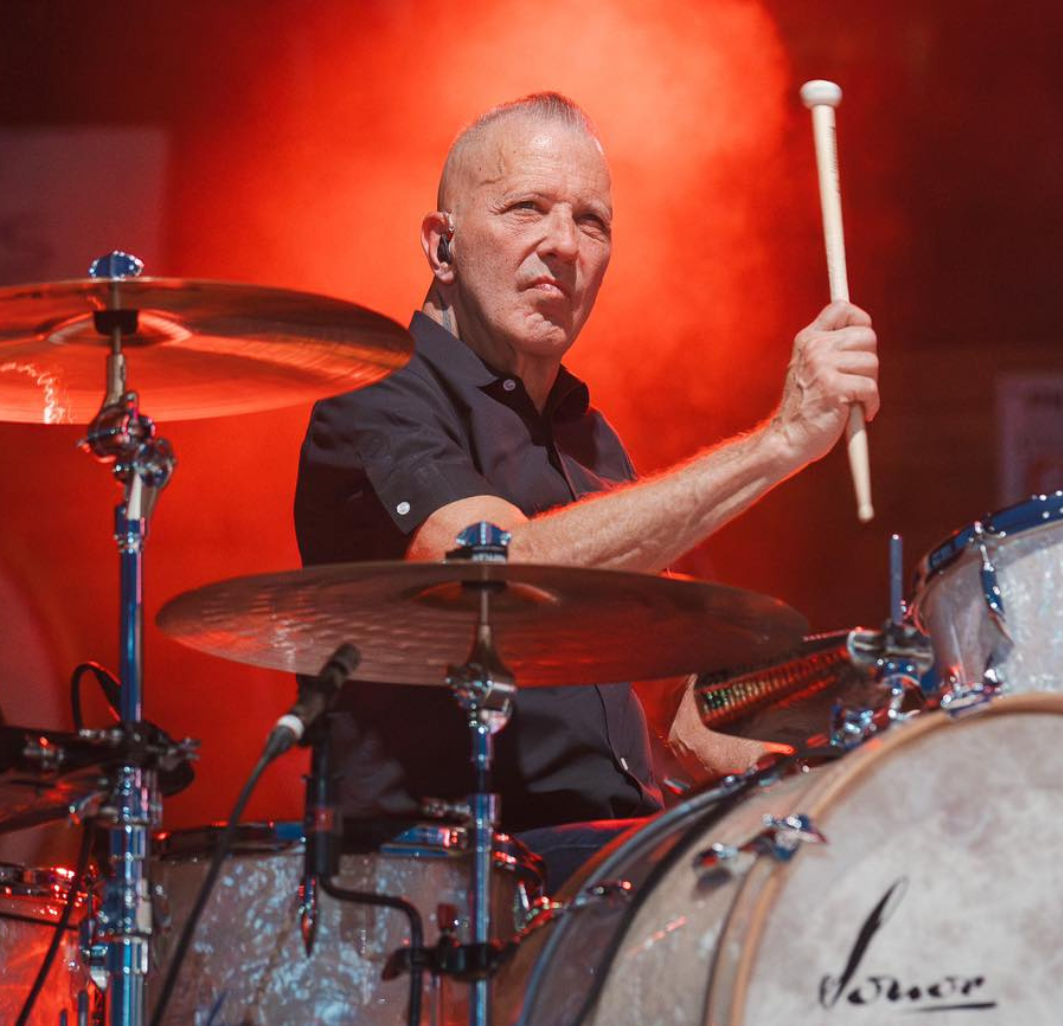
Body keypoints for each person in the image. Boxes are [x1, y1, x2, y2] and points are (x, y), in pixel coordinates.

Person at [294, 92, 879, 890]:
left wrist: (831, 781)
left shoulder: (592, 438)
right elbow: (495, 569)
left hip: (609, 851)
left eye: (592, 222)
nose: (563, 245)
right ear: (442, 246)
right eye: (526, 208)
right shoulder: (381, 392)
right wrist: (781, 441)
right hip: (451, 874)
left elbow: (671, 714)